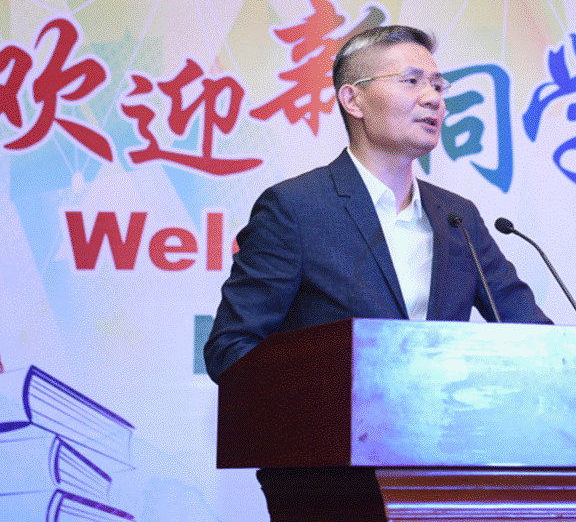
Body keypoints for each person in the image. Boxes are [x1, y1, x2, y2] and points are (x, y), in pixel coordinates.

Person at [204, 25, 551, 383]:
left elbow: (538, 340)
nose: (433, 98)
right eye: (411, 81)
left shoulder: (458, 218)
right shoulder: (295, 210)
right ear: (353, 100)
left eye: (437, 85)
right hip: (335, 417)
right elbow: (231, 349)